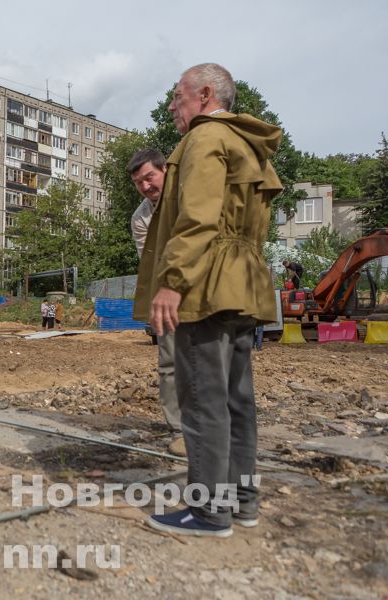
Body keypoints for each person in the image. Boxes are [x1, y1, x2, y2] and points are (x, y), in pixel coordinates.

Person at [134, 63, 281, 538]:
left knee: (202, 402)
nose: (172, 106)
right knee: (238, 401)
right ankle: (242, 503)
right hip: (245, 285)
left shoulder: (202, 139)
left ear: (202, 94)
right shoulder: (247, 143)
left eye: (177, 97)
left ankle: (208, 513)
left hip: (207, 285)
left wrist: (172, 281)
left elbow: (197, 218)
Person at [127, 148, 184, 456]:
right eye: (139, 183)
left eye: (150, 177)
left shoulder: (187, 194)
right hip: (168, 296)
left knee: (210, 361)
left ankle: (216, 426)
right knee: (171, 362)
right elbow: (152, 262)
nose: (146, 187)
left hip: (203, 289)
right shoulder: (141, 218)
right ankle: (179, 430)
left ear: (165, 169)